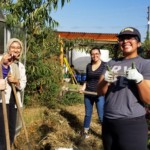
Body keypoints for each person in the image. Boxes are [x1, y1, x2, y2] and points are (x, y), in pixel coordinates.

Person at [97, 27, 150, 150]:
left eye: (130, 38)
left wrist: (139, 80)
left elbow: (148, 99)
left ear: (139, 43)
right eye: (122, 39)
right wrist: (105, 80)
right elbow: (100, 92)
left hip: (132, 123)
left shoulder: (145, 64)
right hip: (109, 121)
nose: (125, 41)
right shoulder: (111, 63)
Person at [0, 38, 27, 149]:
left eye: (18, 47)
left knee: (11, 130)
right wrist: (5, 66)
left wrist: (16, 81)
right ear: (8, 48)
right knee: (2, 130)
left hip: (14, 102)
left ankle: (8, 146)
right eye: (13, 47)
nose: (16, 50)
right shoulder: (2, 59)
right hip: (2, 101)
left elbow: (23, 84)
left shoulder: (20, 66)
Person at [80, 47, 106, 138]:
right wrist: (83, 88)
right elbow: (87, 79)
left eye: (96, 53)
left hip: (99, 94)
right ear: (90, 55)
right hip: (88, 93)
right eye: (92, 54)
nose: (94, 55)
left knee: (101, 116)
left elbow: (107, 80)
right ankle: (85, 132)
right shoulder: (88, 66)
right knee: (88, 113)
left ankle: (106, 134)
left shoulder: (105, 65)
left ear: (100, 54)